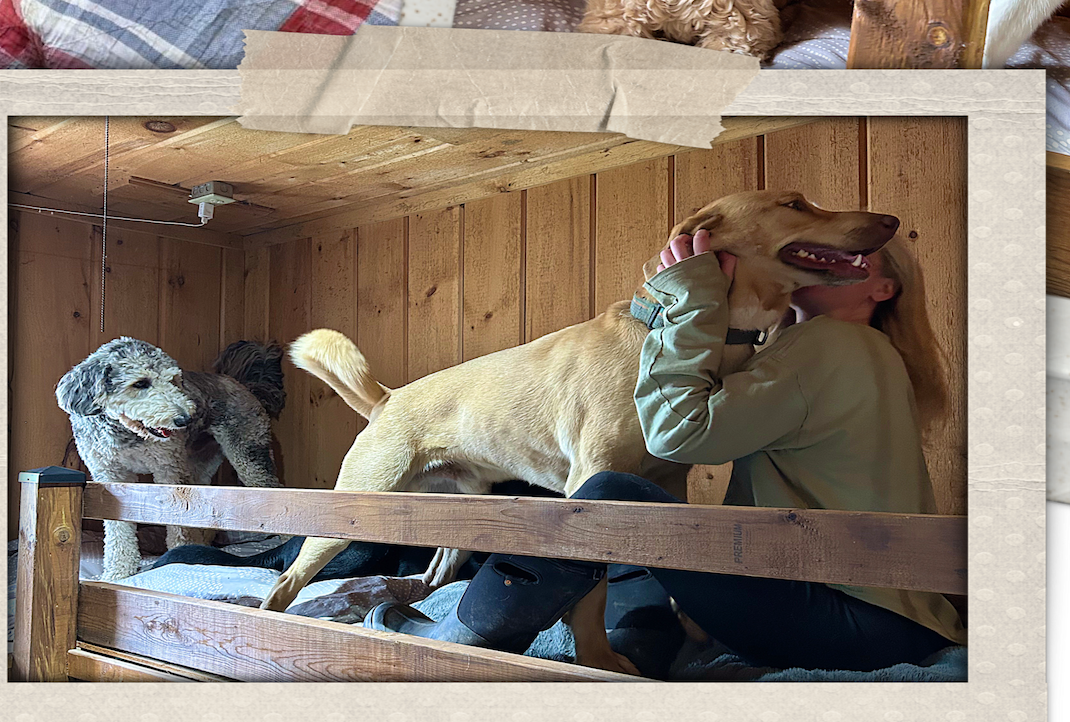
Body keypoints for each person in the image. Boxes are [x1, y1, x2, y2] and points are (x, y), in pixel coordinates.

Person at [368, 226, 964, 677]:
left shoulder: (829, 344)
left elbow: (676, 433)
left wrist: (689, 307)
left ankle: (461, 637)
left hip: (851, 623)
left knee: (606, 493)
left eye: (862, 254)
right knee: (656, 519)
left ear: (885, 289)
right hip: (895, 621)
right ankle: (642, 635)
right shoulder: (864, 355)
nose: (834, 250)